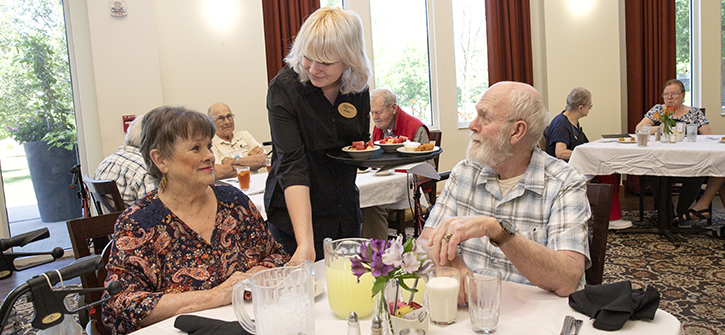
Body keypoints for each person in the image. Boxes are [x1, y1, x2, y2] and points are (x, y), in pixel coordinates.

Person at [102, 106, 289, 334]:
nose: (210, 155)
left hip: (250, 325)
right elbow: (120, 306)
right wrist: (217, 295)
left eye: (209, 146)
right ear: (160, 159)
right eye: (195, 148)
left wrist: (255, 274)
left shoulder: (233, 202)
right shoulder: (139, 223)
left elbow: (278, 256)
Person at [423, 82, 591, 303]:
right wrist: (449, 264)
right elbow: (425, 241)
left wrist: (498, 231)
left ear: (516, 131)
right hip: (468, 313)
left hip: (536, 317)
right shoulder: (465, 172)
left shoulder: (565, 183)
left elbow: (568, 278)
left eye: (485, 118)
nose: (473, 125)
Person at [265, 6, 372, 262]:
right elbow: (293, 166)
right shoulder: (284, 90)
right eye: (308, 57)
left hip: (343, 213)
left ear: (349, 59)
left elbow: (358, 144)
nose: (313, 69)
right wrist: (305, 243)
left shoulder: (356, 88)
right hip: (295, 220)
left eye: (325, 62)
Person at [545, 87, 631, 230]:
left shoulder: (574, 123)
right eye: (589, 106)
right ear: (580, 107)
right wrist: (584, 154)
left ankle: (609, 213)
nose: (590, 108)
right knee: (607, 172)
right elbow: (560, 152)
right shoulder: (561, 123)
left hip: (576, 164)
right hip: (564, 167)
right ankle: (611, 219)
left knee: (611, 170)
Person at [635, 79, 712, 221]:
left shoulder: (694, 112)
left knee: (698, 171)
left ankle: (682, 212)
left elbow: (707, 135)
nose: (669, 98)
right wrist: (662, 128)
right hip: (660, 158)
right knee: (649, 168)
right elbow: (639, 128)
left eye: (674, 94)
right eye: (666, 95)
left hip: (689, 159)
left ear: (683, 95)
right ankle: (667, 210)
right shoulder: (658, 110)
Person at [361, 88, 432, 241]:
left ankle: (378, 256)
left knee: (372, 205)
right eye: (372, 113)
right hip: (383, 188)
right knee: (357, 200)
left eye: (378, 112)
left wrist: (397, 176)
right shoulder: (378, 128)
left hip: (410, 193)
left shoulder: (416, 129)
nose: (375, 118)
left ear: (393, 108)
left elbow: (428, 171)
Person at [93, 114, 156, 207]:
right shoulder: (146, 172)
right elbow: (155, 214)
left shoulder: (105, 163)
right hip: (135, 220)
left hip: (113, 220)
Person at [207, 102, 266, 179]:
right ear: (211, 122)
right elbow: (217, 172)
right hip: (230, 189)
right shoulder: (210, 143)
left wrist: (234, 161)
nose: (227, 122)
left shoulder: (245, 135)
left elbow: (263, 160)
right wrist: (249, 160)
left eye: (229, 117)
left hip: (255, 185)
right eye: (221, 119)